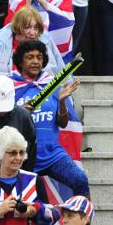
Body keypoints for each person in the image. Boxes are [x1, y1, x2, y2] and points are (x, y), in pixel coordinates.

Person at [10, 40, 88, 197]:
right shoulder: (12, 86)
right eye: (30, 57)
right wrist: (20, 112)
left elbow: (63, 123)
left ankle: (83, 219)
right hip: (22, 157)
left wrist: (62, 102)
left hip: (52, 155)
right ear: (20, 61)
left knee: (80, 180)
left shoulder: (52, 84)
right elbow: (2, 122)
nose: (35, 61)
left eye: (39, 57)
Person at [0, 126, 55, 225]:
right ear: (0, 153)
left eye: (21, 152)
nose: (18, 157)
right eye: (13, 153)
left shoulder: (34, 180)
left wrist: (33, 210)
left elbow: (51, 216)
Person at [0, 5, 65, 91]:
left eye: (36, 28)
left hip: (39, 96)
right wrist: (12, 81)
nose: (32, 33)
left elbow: (62, 75)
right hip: (5, 96)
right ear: (17, 27)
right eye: (27, 27)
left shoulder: (46, 40)